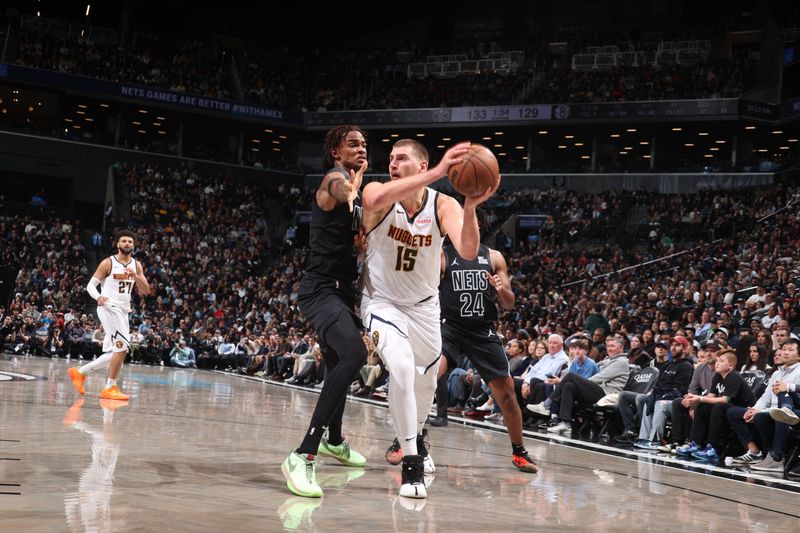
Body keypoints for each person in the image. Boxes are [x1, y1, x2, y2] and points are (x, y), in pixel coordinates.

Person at [359, 138, 495, 499]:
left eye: (401, 158)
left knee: (424, 383)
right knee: (401, 368)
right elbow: (371, 200)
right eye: (389, 158)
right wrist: (439, 172)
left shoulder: (442, 204)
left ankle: (415, 436)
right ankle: (412, 463)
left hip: (424, 307)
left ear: (420, 166)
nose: (391, 163)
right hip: (382, 301)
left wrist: (470, 205)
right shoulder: (377, 192)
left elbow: (467, 250)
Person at [281, 125, 369, 499]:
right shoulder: (334, 180)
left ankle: (334, 440)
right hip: (320, 291)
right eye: (353, 144)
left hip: (342, 291)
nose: (361, 148)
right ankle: (303, 454)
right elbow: (337, 190)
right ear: (336, 151)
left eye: (364, 144)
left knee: (337, 364)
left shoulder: (357, 188)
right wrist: (350, 186)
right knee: (355, 353)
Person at [409, 241, 538, 473]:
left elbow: (509, 304)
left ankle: (519, 451)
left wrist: (501, 290)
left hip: (483, 331)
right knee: (429, 376)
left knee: (507, 394)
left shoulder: (494, 256)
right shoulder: (442, 255)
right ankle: (406, 440)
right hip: (451, 327)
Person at [68, 230, 150, 401]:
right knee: (122, 348)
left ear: (133, 245)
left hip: (123, 310)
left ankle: (80, 372)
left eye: (130, 242)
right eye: (124, 241)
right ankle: (110, 387)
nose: (127, 244)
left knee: (116, 351)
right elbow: (90, 286)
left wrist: (136, 276)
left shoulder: (136, 265)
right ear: (117, 244)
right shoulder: (108, 263)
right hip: (108, 307)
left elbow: (146, 290)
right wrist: (99, 297)